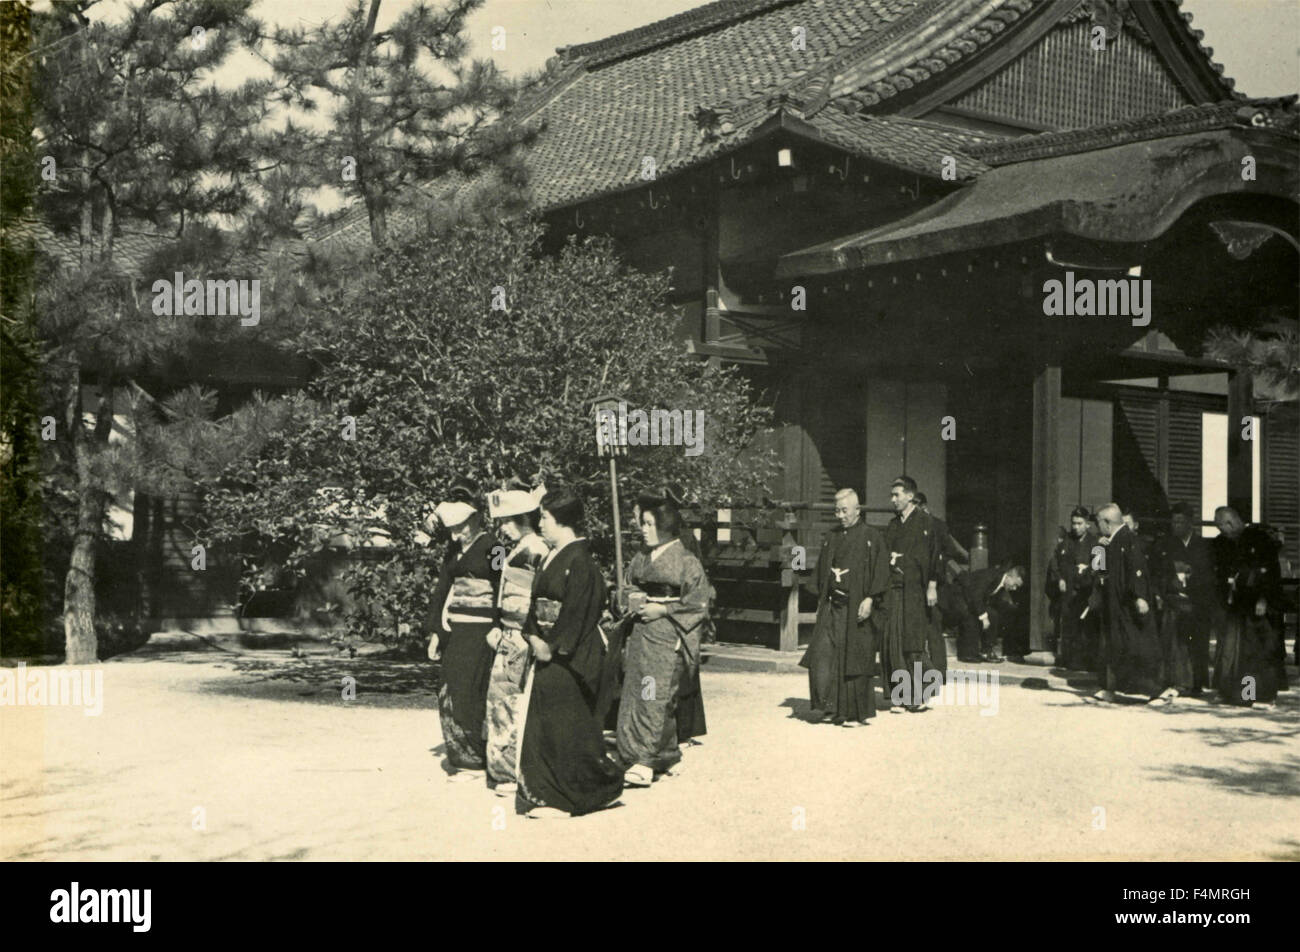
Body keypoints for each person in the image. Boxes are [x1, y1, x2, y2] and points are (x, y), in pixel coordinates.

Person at [515, 488, 623, 817]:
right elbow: (534, 606)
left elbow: (578, 612)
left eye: (545, 517)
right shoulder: (552, 556)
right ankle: (551, 792)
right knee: (545, 723)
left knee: (564, 726)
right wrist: (533, 635)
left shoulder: (581, 561)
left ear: (562, 521)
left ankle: (565, 797)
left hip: (570, 654)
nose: (540, 524)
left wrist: (551, 645)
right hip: (546, 647)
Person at [616, 497, 713, 786]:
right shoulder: (641, 558)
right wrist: (630, 597)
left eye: (649, 524)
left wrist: (664, 609)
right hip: (641, 632)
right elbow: (626, 584)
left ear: (666, 526)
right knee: (636, 691)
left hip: (667, 634)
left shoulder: (686, 561)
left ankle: (645, 760)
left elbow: (699, 602)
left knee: (654, 694)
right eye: (643, 523)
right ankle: (665, 753)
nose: (643, 529)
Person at [799, 488, 889, 726]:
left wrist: (870, 599)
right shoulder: (832, 535)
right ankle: (828, 707)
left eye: (844, 510)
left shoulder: (872, 537)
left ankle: (853, 714)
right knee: (823, 654)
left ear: (857, 510)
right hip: (832, 605)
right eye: (836, 511)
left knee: (855, 658)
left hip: (857, 606)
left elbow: (881, 572)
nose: (840, 515)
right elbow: (821, 572)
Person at [425, 495, 499, 780]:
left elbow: (503, 585)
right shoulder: (453, 551)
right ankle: (461, 754)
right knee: (451, 688)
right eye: (451, 529)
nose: (456, 534)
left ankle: (476, 758)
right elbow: (443, 590)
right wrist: (436, 633)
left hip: (483, 629)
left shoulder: (494, 548)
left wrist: (499, 625)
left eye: (461, 527)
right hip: (456, 628)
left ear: (475, 519)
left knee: (472, 690)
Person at [482, 485, 549, 795]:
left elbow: (538, 597)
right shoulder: (516, 549)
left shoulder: (538, 549)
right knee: (500, 700)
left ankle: (512, 770)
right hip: (507, 632)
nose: (504, 527)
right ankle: (501, 768)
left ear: (525, 518)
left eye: (509, 520)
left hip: (523, 633)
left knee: (513, 700)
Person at [1089, 503, 1170, 705]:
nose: (1097, 526)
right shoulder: (1111, 541)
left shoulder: (1129, 539)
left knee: (1137, 647)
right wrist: (1099, 549)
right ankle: (1112, 688)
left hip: (1129, 605)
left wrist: (1140, 596)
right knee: (1116, 646)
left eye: (1098, 522)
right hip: (1115, 605)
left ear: (1107, 522)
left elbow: (1137, 569)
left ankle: (1158, 691)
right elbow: (1100, 571)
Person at [1210, 506, 1284, 707]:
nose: (1221, 531)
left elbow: (1271, 574)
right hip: (1237, 605)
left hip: (1258, 606)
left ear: (1230, 522)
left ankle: (1263, 695)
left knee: (1258, 652)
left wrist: (1263, 599)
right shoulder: (1224, 543)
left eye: (1221, 526)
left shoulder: (1259, 539)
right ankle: (1241, 693)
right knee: (1237, 654)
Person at [881, 476, 943, 713]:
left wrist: (932, 585)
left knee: (913, 642)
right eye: (892, 495)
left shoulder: (927, 522)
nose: (893, 499)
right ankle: (900, 696)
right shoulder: (894, 525)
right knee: (894, 642)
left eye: (896, 494)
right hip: (895, 589)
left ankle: (918, 695)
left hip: (917, 590)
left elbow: (934, 556)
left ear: (910, 495)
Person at [1151, 502, 1215, 696]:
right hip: (1175, 600)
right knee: (1176, 643)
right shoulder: (1166, 545)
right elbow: (1158, 572)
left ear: (1190, 523)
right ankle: (1177, 681)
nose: (1175, 525)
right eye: (1174, 521)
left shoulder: (1204, 545)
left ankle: (1197, 683)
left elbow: (1210, 574)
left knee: (1198, 642)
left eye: (1180, 521)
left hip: (1198, 600)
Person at [915, 491, 967, 679]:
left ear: (923, 506)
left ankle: (937, 670)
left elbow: (950, 551)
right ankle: (934, 671)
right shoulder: (921, 524)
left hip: (934, 583)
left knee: (933, 626)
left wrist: (938, 565)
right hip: (922, 583)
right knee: (929, 628)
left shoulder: (935, 525)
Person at [1046, 506, 1101, 671]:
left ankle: (1086, 663)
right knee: (1068, 627)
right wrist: (1060, 579)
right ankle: (1069, 661)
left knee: (1085, 629)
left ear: (1087, 525)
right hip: (1068, 592)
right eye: (1074, 523)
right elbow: (1055, 562)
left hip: (1085, 592)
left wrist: (1088, 569)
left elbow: (1100, 568)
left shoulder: (1095, 543)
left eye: (1079, 523)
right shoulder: (1066, 541)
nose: (1076, 527)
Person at [955, 564, 1024, 663]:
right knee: (974, 617)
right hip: (961, 596)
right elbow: (976, 595)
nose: (1014, 588)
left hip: (972, 600)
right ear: (1009, 576)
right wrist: (983, 617)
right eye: (1015, 585)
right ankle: (969, 654)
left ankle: (987, 651)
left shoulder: (1002, 585)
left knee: (993, 615)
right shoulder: (991, 575)